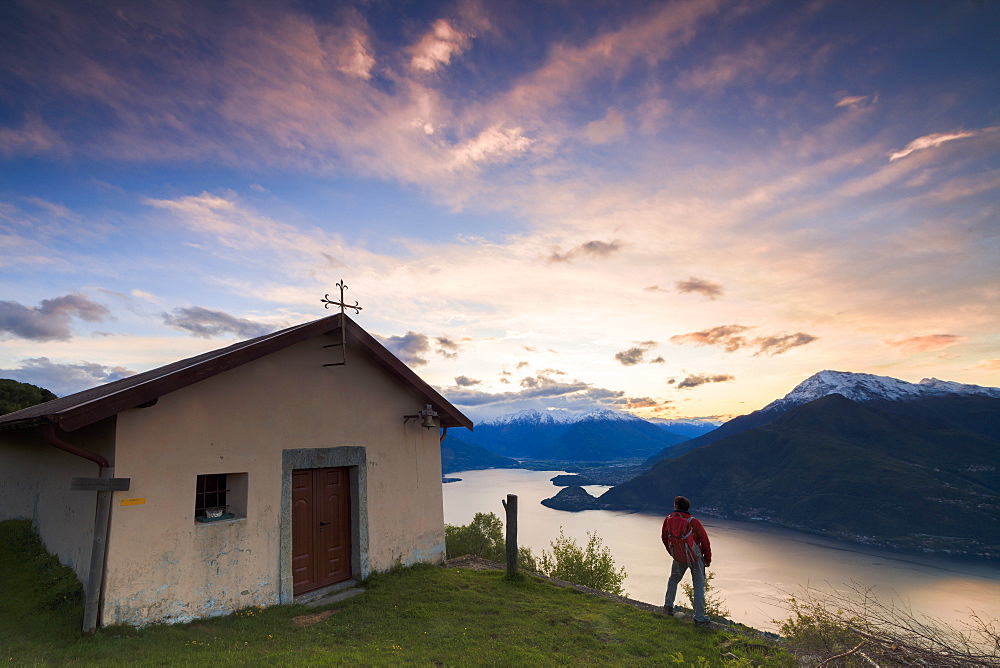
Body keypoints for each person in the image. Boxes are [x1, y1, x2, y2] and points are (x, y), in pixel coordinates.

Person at [661, 495, 712, 625]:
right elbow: (705, 542)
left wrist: (673, 553)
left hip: (678, 556)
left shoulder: (668, 520)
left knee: (673, 579)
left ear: (676, 506)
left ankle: (668, 606)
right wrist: (707, 559)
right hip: (694, 558)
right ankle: (699, 618)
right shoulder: (693, 522)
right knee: (698, 586)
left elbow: (665, 538)